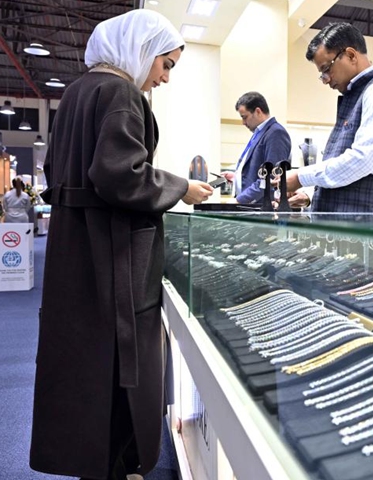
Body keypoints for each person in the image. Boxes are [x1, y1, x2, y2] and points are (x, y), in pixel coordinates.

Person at [30, 10, 212, 480]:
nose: (164, 77)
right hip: (113, 252)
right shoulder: (120, 92)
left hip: (76, 247)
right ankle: (115, 463)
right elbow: (120, 175)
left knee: (84, 359)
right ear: (141, 49)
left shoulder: (76, 92)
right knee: (120, 364)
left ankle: (95, 461)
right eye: (165, 63)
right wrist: (180, 188)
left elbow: (60, 173)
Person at [281, 22, 373, 213]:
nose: (325, 79)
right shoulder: (356, 96)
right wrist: (310, 194)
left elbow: (363, 160)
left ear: (350, 55)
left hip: (366, 235)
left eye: (326, 69)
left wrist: (301, 177)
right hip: (345, 234)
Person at [221, 92, 291, 204]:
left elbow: (271, 178)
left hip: (261, 209)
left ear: (258, 111)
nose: (243, 123)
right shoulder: (259, 133)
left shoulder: (276, 133)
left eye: (245, 117)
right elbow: (256, 170)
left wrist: (240, 200)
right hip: (250, 208)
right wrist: (237, 177)